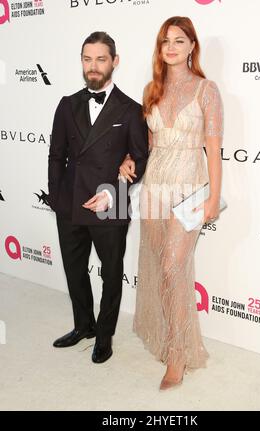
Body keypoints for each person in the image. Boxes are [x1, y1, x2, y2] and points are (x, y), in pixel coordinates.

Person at [119, 16, 224, 390]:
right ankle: (169, 338)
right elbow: (147, 146)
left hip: (189, 191)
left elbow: (213, 149)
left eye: (180, 40)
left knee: (170, 266)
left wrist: (213, 195)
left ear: (192, 46)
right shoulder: (153, 89)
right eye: (166, 40)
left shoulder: (206, 90)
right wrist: (130, 160)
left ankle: (178, 353)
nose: (172, 47)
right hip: (155, 189)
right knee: (162, 270)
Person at [48, 31, 148, 364]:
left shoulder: (131, 109)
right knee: (74, 270)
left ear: (114, 62)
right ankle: (83, 326)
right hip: (72, 203)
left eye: (101, 59)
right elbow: (55, 155)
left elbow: (140, 159)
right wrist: (59, 201)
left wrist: (112, 194)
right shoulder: (67, 104)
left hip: (111, 202)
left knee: (110, 273)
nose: (93, 67)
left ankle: (104, 337)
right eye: (87, 59)